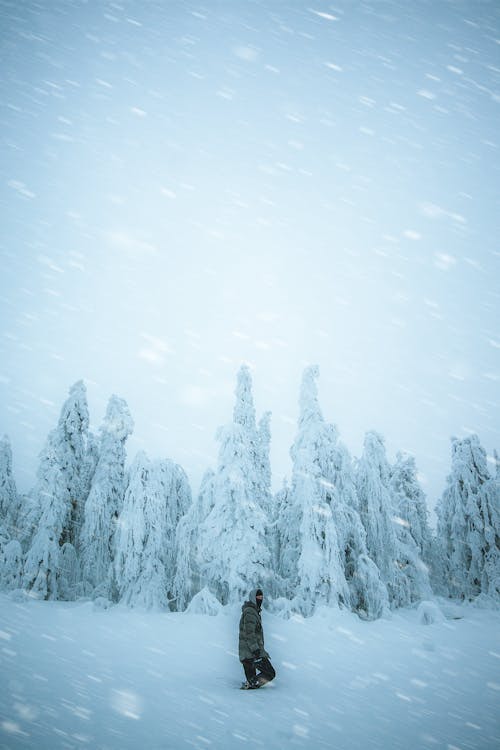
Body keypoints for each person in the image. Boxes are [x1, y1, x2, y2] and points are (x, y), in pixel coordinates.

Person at [239, 588, 276, 689]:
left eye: (261, 597)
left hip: (246, 654)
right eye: (258, 597)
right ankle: (250, 683)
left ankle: (249, 685)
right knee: (270, 673)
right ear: (253, 598)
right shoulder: (250, 612)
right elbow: (249, 634)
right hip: (252, 653)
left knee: (253, 685)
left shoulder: (253, 611)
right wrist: (256, 650)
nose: (260, 599)